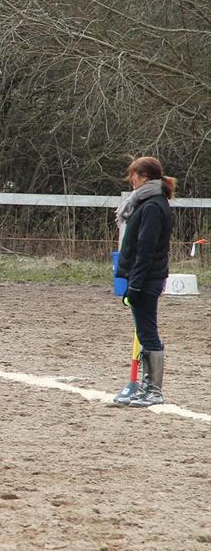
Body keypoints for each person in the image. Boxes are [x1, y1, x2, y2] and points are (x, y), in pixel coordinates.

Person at [113, 156, 175, 407]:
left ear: (145, 177)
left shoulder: (151, 206)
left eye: (134, 175)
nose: (131, 179)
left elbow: (145, 251)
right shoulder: (150, 203)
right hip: (146, 277)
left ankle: (153, 390)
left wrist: (135, 285)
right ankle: (147, 387)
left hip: (147, 279)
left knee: (148, 332)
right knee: (144, 330)